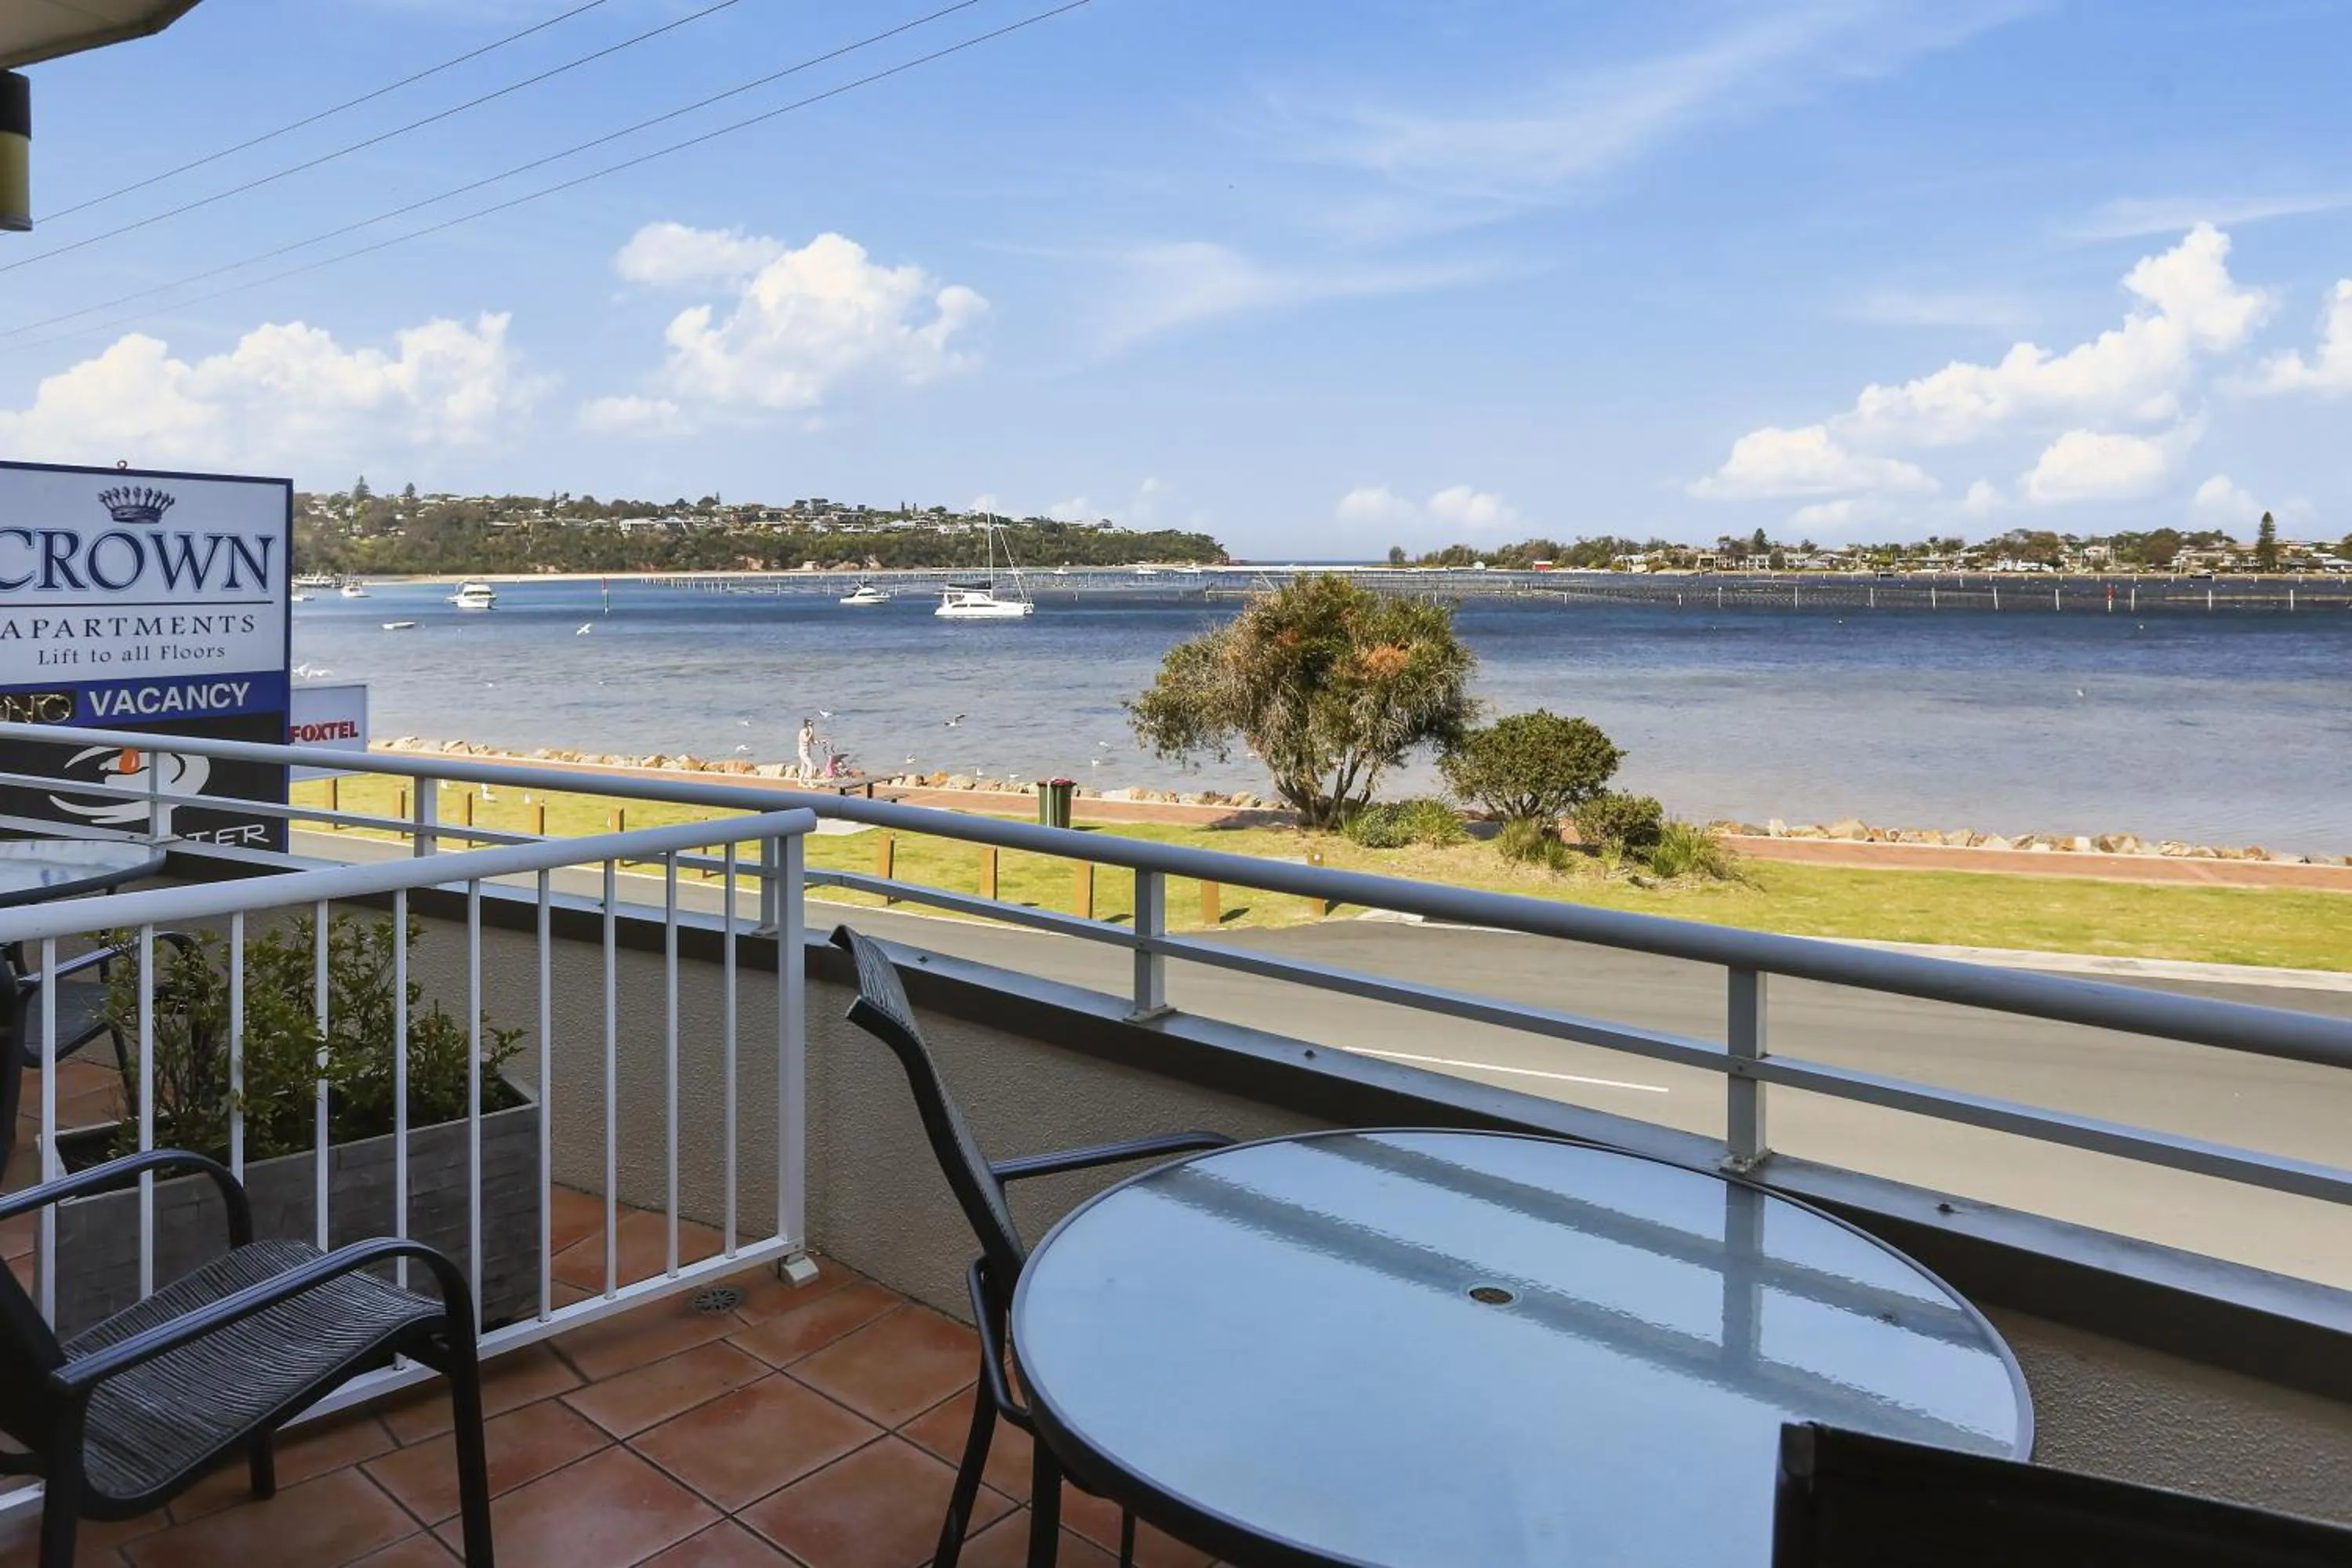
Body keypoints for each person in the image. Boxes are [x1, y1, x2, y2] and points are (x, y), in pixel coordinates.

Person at [797, 717, 817, 782]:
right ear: (806, 725)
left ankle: (800, 782)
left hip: (807, 751)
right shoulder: (803, 731)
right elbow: (806, 740)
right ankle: (809, 782)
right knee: (810, 765)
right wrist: (811, 733)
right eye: (810, 725)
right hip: (803, 751)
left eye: (812, 725)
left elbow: (813, 742)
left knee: (803, 767)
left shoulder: (809, 732)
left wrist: (822, 742)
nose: (811, 727)